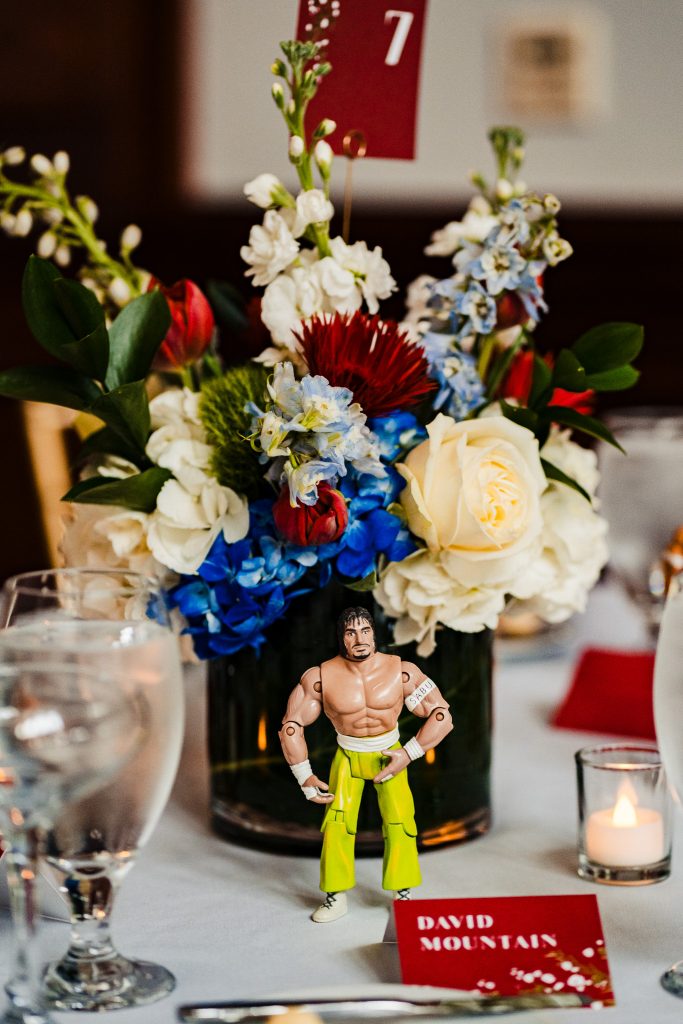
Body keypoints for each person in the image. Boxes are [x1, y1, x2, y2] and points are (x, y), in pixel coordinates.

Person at [279, 606, 453, 923]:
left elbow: (440, 714)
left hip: (391, 754)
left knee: (401, 822)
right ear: (342, 638)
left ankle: (403, 895)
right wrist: (305, 776)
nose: (358, 638)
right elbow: (292, 725)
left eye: (364, 630)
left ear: (374, 633)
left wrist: (409, 752)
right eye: (350, 632)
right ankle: (335, 896)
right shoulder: (320, 677)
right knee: (336, 825)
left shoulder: (402, 671)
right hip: (347, 756)